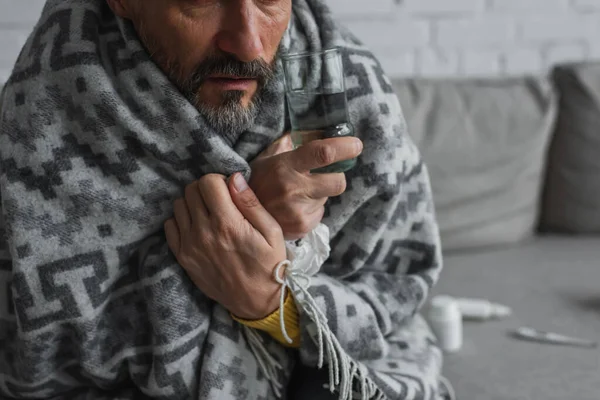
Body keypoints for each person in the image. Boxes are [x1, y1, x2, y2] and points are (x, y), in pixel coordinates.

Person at [0, 0, 448, 399]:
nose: (249, 44)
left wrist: (272, 300)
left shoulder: (350, 90)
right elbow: (39, 350)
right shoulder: (47, 107)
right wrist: (246, 215)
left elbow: (399, 282)